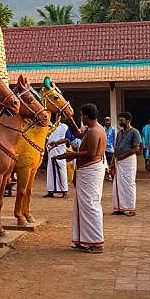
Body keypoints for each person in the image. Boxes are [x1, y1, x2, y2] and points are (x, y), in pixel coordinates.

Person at [55, 103, 107, 253]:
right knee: (84, 205)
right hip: (89, 170)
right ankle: (84, 240)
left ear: (85, 116)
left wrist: (71, 155)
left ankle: (96, 243)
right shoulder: (93, 129)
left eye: (81, 115)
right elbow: (79, 134)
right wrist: (69, 121)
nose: (81, 118)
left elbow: (91, 154)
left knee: (90, 205)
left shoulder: (94, 132)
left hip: (91, 170)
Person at [112, 112, 141, 216]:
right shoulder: (119, 133)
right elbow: (116, 147)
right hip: (118, 160)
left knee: (128, 183)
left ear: (128, 120)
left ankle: (130, 208)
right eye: (119, 120)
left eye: (122, 120)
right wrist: (114, 160)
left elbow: (136, 148)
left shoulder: (135, 132)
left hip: (128, 161)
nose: (120, 122)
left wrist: (123, 156)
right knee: (118, 184)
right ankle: (119, 208)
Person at [44, 122, 69, 197]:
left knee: (62, 170)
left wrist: (57, 143)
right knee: (50, 171)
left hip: (60, 151)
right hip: (51, 151)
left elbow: (68, 139)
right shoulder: (51, 126)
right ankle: (51, 191)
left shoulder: (64, 126)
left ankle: (64, 190)